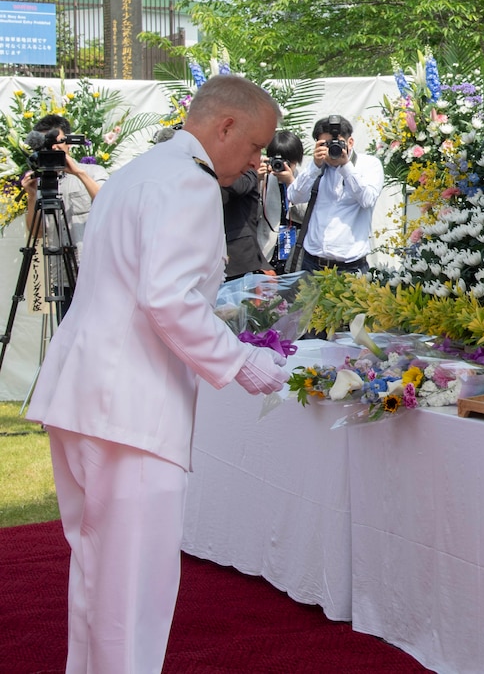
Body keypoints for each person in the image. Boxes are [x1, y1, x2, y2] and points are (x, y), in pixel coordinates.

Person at [26, 75, 290, 674]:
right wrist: (242, 360)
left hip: (85, 395)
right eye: (253, 147)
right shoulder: (190, 184)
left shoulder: (137, 172)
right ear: (224, 126)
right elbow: (167, 298)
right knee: (134, 589)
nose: (256, 162)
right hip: (131, 408)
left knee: (97, 572)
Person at [287, 114, 384, 273]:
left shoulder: (369, 165)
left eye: (336, 143)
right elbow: (294, 197)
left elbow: (367, 200)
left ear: (350, 142)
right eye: (325, 144)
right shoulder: (317, 168)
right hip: (312, 263)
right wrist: (314, 166)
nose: (332, 149)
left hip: (350, 267)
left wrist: (345, 166)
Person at [20, 113, 107, 250]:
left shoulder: (93, 172)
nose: (52, 148)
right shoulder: (40, 182)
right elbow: (37, 233)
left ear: (68, 142)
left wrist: (78, 173)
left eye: (56, 142)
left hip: (88, 263)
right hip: (57, 267)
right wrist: (31, 196)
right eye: (46, 144)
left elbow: (108, 204)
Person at [258, 129, 303, 271]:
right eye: (278, 161)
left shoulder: (303, 180)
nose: (282, 166)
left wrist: (291, 183)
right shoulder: (263, 179)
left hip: (295, 253)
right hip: (268, 253)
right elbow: (251, 215)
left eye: (288, 162)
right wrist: (255, 180)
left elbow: (307, 215)